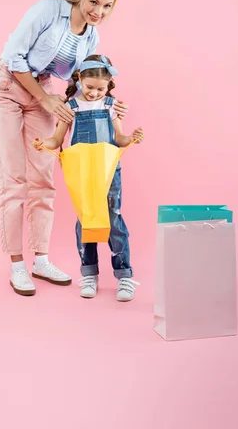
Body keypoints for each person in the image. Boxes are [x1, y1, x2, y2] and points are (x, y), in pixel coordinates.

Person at [0, 0, 128, 297]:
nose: (98, 11)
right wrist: (44, 98)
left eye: (107, 7)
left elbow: (82, 83)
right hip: (9, 86)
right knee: (13, 182)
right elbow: (13, 57)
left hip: (45, 93)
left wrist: (110, 105)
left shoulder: (91, 37)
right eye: (94, 1)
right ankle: (17, 264)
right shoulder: (47, 10)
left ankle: (41, 259)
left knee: (44, 181)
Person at [33, 54, 144, 301]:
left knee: (113, 218)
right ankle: (89, 274)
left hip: (109, 171)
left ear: (109, 87)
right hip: (81, 172)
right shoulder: (70, 107)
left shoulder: (111, 106)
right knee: (85, 220)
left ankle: (124, 275)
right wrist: (44, 143)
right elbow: (57, 139)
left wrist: (132, 137)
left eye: (100, 89)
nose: (94, 93)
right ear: (79, 79)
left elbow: (119, 139)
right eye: (89, 87)